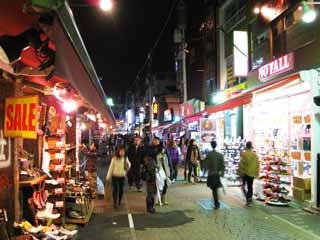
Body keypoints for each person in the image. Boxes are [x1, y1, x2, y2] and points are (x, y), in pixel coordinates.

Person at [237, 141, 259, 206]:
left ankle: (247, 197)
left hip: (244, 173)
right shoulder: (255, 155)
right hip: (251, 173)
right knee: (250, 187)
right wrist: (256, 173)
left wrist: (239, 172)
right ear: (251, 146)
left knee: (243, 185)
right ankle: (249, 199)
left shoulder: (244, 154)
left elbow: (241, 164)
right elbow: (257, 165)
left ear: (246, 146)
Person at [204, 141, 225, 209]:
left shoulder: (209, 154)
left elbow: (206, 164)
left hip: (211, 174)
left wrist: (205, 171)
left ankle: (217, 203)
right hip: (217, 174)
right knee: (215, 189)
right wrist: (222, 173)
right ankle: (216, 202)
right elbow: (223, 165)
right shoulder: (219, 155)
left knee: (214, 189)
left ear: (211, 145)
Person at [142, 137, 160, 213]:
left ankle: (150, 206)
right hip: (150, 177)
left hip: (151, 176)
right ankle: (150, 207)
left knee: (152, 192)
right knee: (151, 193)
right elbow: (150, 169)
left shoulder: (149, 158)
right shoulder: (150, 160)